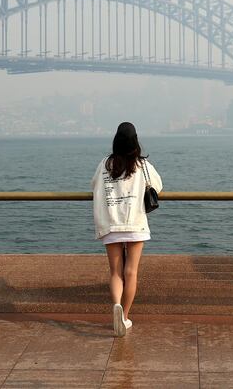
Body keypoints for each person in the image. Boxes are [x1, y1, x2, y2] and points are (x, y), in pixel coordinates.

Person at [91, 122, 163, 337]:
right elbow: (157, 186)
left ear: (116, 140)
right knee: (131, 272)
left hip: (111, 223)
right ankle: (124, 317)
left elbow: (94, 185)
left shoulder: (105, 164)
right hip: (135, 223)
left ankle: (116, 305)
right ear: (135, 141)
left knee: (115, 271)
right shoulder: (143, 165)